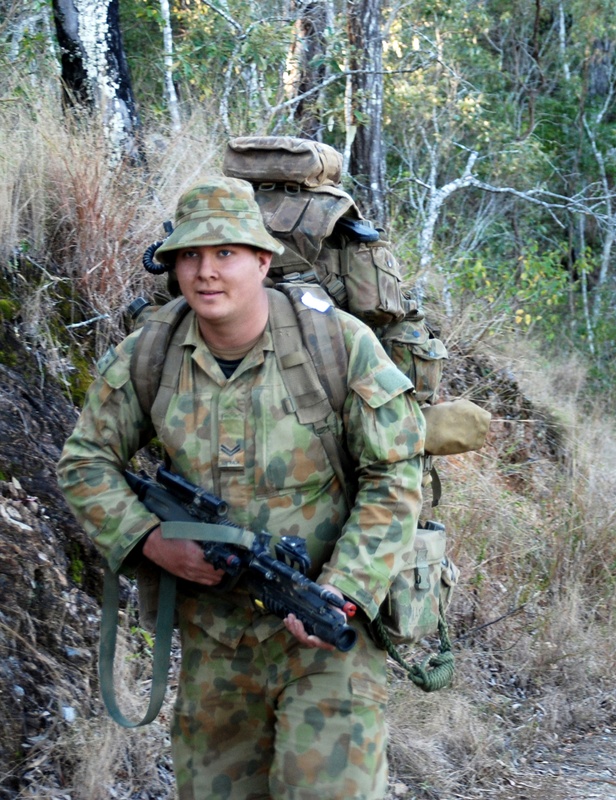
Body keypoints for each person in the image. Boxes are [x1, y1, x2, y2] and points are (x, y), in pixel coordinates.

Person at [58, 176, 425, 800]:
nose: (206, 272)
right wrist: (149, 540)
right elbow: (84, 461)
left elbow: (394, 475)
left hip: (324, 636)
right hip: (215, 645)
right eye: (190, 255)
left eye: (225, 252)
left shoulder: (335, 343)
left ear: (262, 260)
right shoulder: (151, 353)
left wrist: (345, 587)